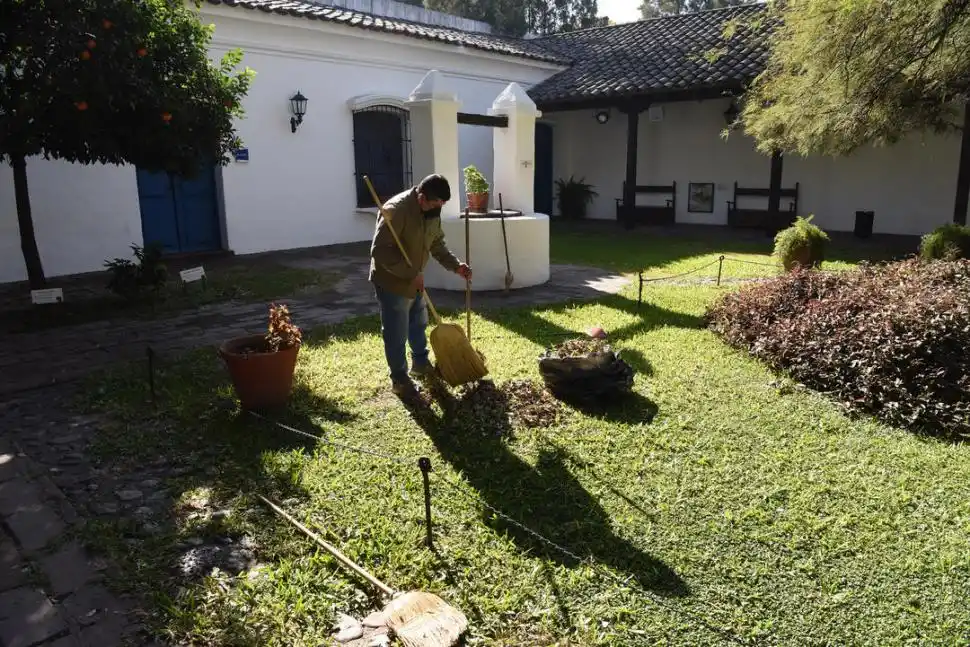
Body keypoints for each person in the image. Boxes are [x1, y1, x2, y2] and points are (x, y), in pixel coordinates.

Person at [369, 174, 472, 397]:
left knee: (418, 321)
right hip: (392, 280)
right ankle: (399, 379)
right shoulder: (395, 210)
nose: (440, 208)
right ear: (422, 197)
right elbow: (379, 251)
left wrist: (456, 266)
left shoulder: (433, 210)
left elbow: (436, 242)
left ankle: (420, 364)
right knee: (396, 331)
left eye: (443, 204)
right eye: (436, 203)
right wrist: (409, 274)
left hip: (415, 278)